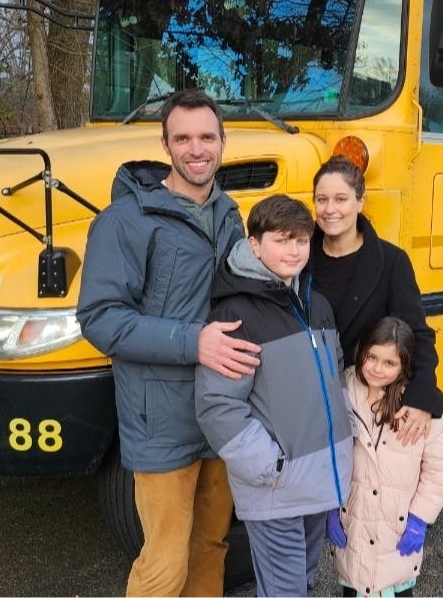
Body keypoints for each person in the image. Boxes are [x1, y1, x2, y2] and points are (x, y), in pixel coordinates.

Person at [76, 89, 262, 597]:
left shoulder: (229, 213)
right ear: (165, 144)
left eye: (206, 137)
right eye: (183, 138)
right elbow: (99, 318)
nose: (196, 149)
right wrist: (192, 342)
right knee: (164, 563)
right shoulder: (124, 221)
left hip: (221, 410)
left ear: (223, 141)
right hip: (159, 418)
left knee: (211, 548)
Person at [195, 195, 353, 597]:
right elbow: (218, 408)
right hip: (277, 486)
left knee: (302, 583)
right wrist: (271, 468)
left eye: (301, 240)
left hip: (319, 481)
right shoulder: (235, 314)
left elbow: (330, 381)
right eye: (282, 240)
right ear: (254, 244)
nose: (294, 250)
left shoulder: (316, 304)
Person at [309, 156, 443, 444]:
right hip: (308, 401)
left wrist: (421, 395)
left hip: (364, 407)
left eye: (341, 199)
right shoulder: (299, 257)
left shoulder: (391, 261)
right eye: (322, 199)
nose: (330, 209)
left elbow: (416, 333)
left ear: (360, 202)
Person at [327, 316, 443, 597]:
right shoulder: (345, 390)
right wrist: (330, 508)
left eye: (389, 363)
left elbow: (438, 468)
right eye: (371, 357)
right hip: (354, 532)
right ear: (361, 352)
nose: (377, 369)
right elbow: (329, 453)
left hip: (395, 538)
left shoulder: (419, 407)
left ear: (404, 365)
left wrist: (420, 519)